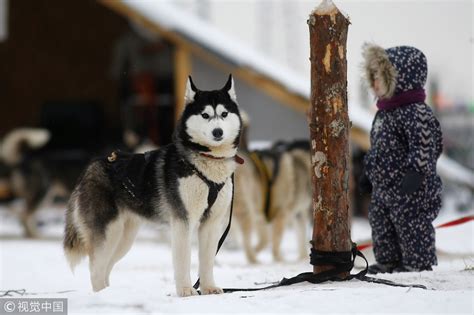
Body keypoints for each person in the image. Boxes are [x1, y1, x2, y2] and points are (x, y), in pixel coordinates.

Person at [360, 43, 443, 274]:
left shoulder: (415, 112)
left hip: (411, 188)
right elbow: (376, 150)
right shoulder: (383, 113)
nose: (375, 83)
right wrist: (367, 174)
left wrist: (417, 172)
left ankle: (417, 262)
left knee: (411, 223)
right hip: (384, 189)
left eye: (381, 77)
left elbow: (424, 144)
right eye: (373, 77)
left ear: (400, 78)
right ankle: (388, 260)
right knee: (380, 222)